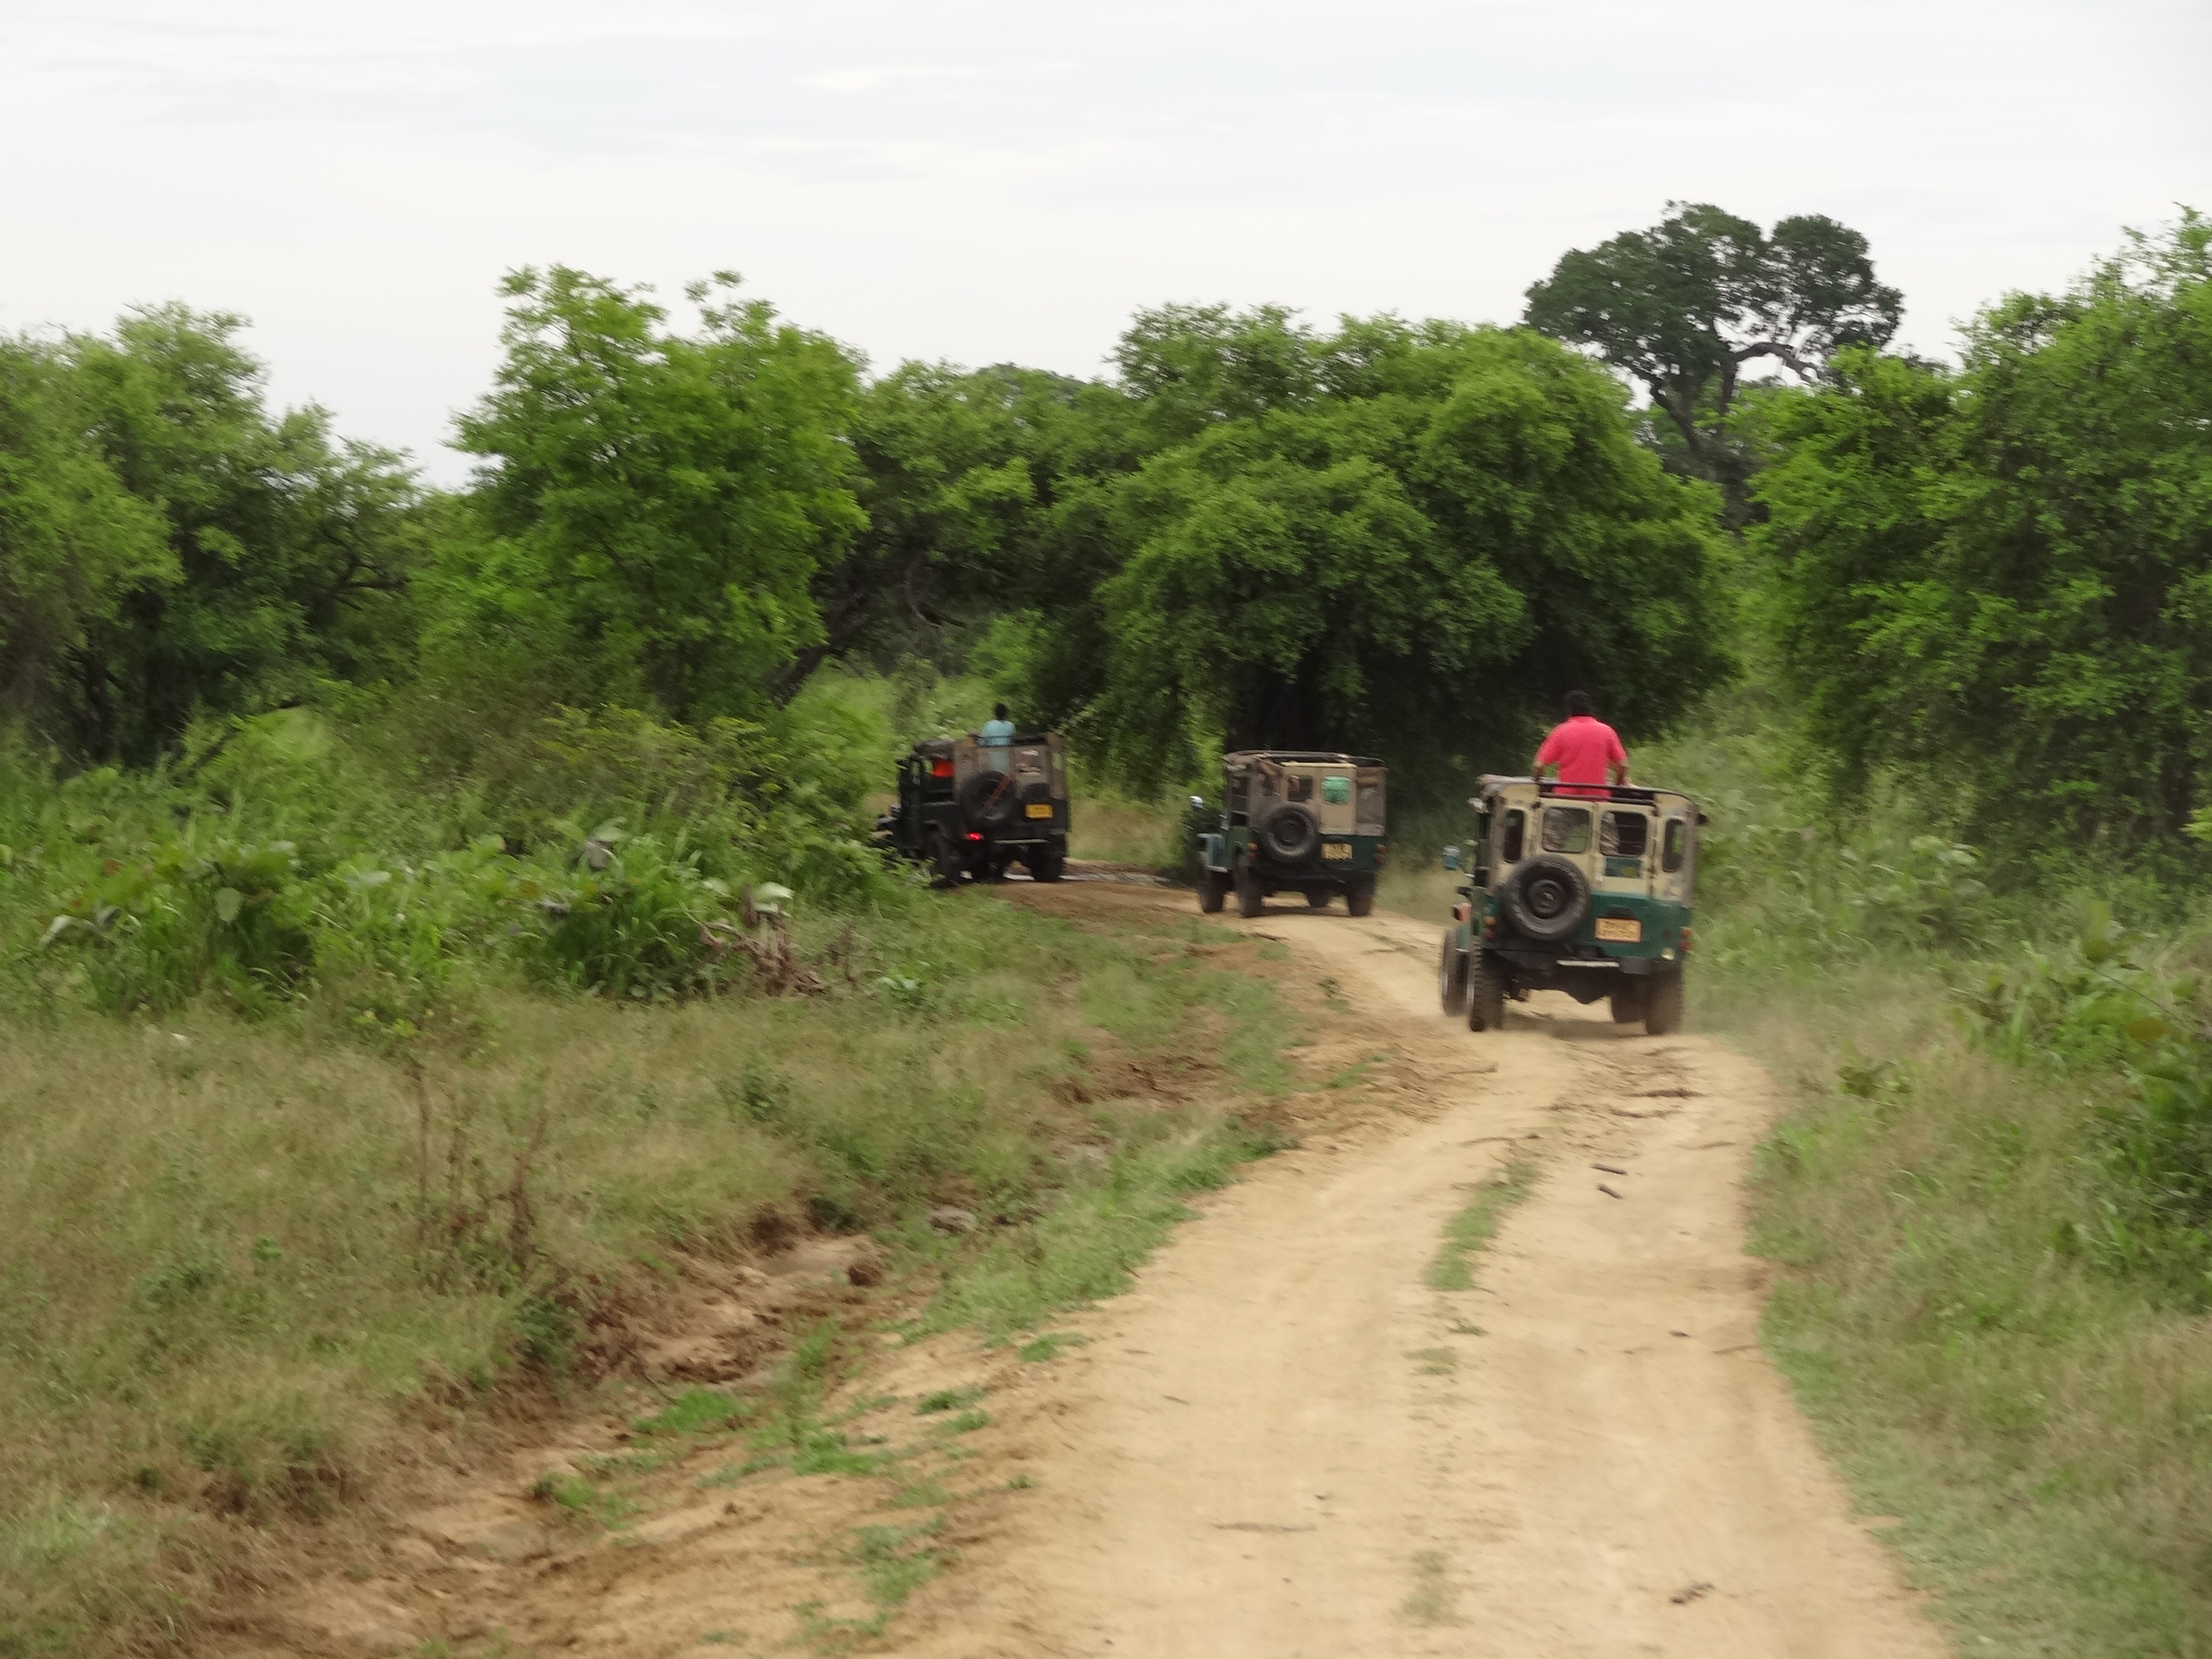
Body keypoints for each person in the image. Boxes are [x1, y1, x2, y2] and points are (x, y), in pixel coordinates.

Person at [1532, 690, 1627, 796]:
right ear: (1590, 709)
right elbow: (1623, 765)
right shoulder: (1607, 731)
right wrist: (1617, 786)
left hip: (1566, 798)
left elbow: (1538, 766)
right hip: (1598, 799)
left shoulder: (1561, 731)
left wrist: (1538, 785)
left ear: (1568, 710)